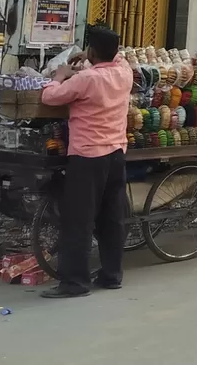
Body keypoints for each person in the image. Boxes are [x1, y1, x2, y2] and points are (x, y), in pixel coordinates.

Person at [38, 26, 132, 299]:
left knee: (78, 221)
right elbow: (121, 57)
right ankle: (112, 275)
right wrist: (91, 54)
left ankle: (75, 282)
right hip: (115, 153)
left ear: (91, 52)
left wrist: (59, 76)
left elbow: (50, 97)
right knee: (111, 218)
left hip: (88, 156)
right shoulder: (124, 73)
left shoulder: (87, 79)